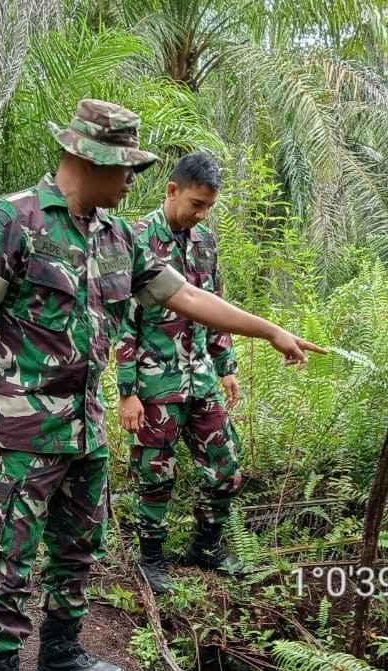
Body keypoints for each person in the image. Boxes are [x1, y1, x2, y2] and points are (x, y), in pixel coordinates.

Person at [0, 99, 325, 671]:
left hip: (87, 426)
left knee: (77, 546)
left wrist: (270, 331)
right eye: (125, 166)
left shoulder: (119, 237)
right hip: (22, 427)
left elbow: (188, 297)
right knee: (7, 549)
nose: (132, 180)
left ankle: (60, 653)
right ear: (88, 158)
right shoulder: (15, 220)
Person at [117, 152, 243, 594]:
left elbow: (215, 305)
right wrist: (127, 391)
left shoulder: (205, 242)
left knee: (225, 466)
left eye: (208, 206)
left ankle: (206, 547)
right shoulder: (136, 240)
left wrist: (225, 366)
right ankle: (150, 558)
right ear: (172, 191)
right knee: (156, 474)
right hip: (155, 384)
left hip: (202, 377)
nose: (201, 213)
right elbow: (123, 320)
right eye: (196, 203)